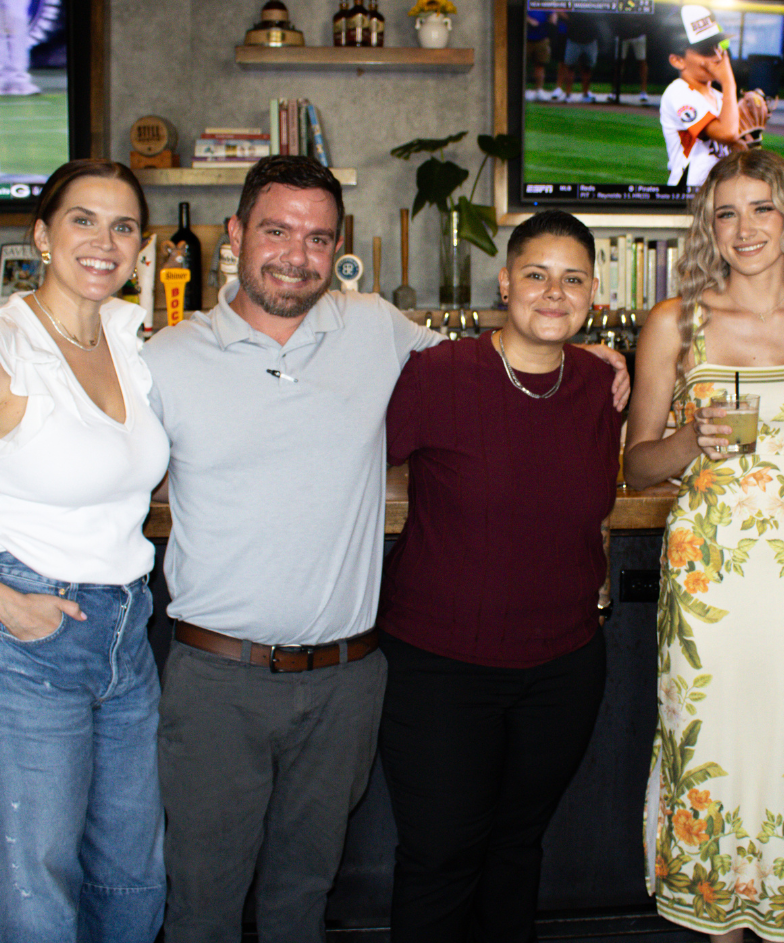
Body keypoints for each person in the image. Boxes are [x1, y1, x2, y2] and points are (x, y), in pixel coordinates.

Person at [143, 157, 628, 943]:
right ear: (234, 235)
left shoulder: (373, 326)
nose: (297, 254)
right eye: (276, 231)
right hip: (218, 674)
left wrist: (598, 356)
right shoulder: (166, 357)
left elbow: (502, 358)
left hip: (345, 675)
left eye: (318, 237)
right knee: (202, 904)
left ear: (338, 247)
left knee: (304, 898)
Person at [625, 149, 784, 942]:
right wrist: (689, 439)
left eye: (762, 208)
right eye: (727, 212)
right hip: (709, 582)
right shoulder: (675, 321)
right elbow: (637, 463)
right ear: (709, 228)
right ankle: (713, 922)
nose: (745, 227)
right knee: (710, 753)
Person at [377, 209, 622, 943]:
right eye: (537, 275)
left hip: (563, 665)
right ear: (505, 282)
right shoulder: (439, 374)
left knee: (517, 850)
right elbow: (351, 462)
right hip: (441, 665)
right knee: (440, 858)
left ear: (594, 293)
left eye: (572, 279)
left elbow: (593, 505)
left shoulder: (599, 384)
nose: (554, 293)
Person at [0, 159, 169, 943]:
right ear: (41, 235)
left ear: (141, 248)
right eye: (82, 220)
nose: (105, 241)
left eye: (123, 226)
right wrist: (7, 606)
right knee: (38, 885)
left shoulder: (129, 337)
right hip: (33, 638)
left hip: (127, 635)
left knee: (132, 875)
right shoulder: (12, 346)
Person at [659, 5, 740, 188]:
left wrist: (753, 139)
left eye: (717, 47)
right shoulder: (678, 92)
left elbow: (739, 150)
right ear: (677, 60)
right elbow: (727, 133)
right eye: (706, 51)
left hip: (715, 194)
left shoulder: (720, 97)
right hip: (687, 196)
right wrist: (729, 83)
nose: (717, 57)